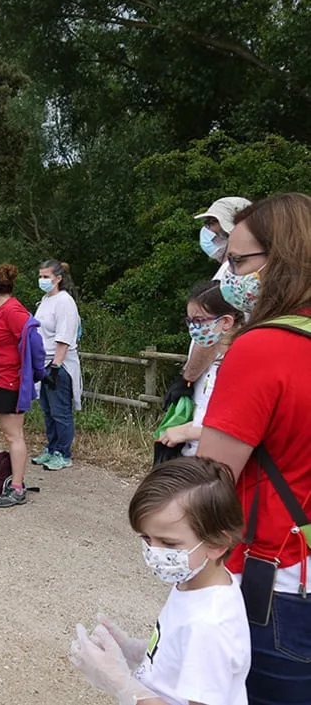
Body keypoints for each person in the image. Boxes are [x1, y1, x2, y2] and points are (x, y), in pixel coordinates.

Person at [197, 192, 311, 702]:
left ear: (282, 261)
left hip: (275, 583)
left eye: (239, 260)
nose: (228, 271)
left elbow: (209, 483)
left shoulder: (263, 348)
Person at [69, 457, 249, 705]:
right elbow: (184, 654)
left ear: (217, 544)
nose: (154, 553)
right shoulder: (198, 581)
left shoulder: (210, 627)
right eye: (146, 538)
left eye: (169, 544)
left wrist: (122, 683)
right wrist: (138, 651)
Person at [163, 196, 253, 409]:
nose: (208, 229)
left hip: (217, 374)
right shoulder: (253, 272)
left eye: (212, 222)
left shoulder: (230, 274)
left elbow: (212, 334)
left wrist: (187, 378)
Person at [158, 281, 243, 456]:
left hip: (220, 461)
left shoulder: (241, 362)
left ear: (226, 321)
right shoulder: (208, 360)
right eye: (189, 321)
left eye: (199, 321)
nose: (193, 328)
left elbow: (238, 427)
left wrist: (187, 432)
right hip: (194, 455)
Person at [0, 264, 34, 507]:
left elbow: (32, 337)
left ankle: (17, 488)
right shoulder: (2, 311)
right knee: (11, 435)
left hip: (9, 379)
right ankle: (13, 480)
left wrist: (26, 372)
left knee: (15, 436)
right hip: (0, 379)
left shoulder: (13, 311)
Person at [33, 259, 82, 471]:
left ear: (58, 278)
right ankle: (51, 448)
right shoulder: (45, 300)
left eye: (47, 277)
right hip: (43, 361)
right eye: (41, 276)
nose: (42, 280)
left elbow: (64, 336)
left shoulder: (64, 301)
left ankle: (63, 452)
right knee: (47, 409)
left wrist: (56, 366)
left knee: (60, 410)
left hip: (58, 363)